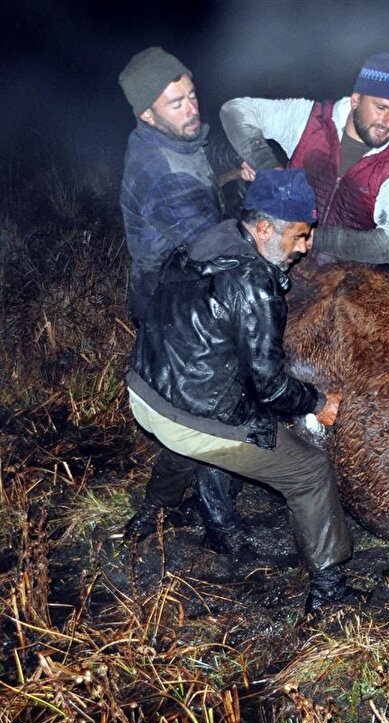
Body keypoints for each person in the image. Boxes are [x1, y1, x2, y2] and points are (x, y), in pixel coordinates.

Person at [127, 168, 359, 614]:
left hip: (145, 391)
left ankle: (152, 512)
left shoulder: (206, 240)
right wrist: (318, 402)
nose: (306, 247)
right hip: (186, 413)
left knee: (185, 435)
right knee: (309, 471)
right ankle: (330, 591)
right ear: (265, 228)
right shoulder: (255, 283)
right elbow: (271, 388)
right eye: (299, 235)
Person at [118, 46, 249, 558]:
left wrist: (233, 176)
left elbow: (201, 178)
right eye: (176, 103)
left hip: (182, 291)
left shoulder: (173, 140)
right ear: (146, 114)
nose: (192, 109)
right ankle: (220, 527)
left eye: (192, 95)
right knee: (216, 405)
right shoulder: (158, 169)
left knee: (183, 408)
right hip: (170, 308)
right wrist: (269, 228)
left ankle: (157, 506)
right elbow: (213, 241)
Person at [220, 53, 389, 266]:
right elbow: (235, 109)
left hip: (341, 281)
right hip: (278, 256)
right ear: (356, 100)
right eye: (381, 108)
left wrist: (315, 237)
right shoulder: (309, 118)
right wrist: (270, 170)